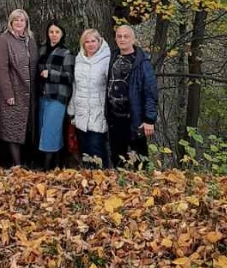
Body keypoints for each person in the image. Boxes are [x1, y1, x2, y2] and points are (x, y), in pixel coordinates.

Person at [106, 25, 158, 169]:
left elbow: (151, 92)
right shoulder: (112, 57)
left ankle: (142, 189)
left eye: (126, 36)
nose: (122, 39)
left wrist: (149, 119)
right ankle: (120, 188)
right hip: (115, 118)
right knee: (117, 158)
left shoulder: (142, 62)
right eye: (119, 36)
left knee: (140, 160)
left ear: (133, 38)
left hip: (135, 119)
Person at [0, 9, 37, 167]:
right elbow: (1, 69)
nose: (19, 23)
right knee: (12, 129)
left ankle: (27, 162)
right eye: (16, 20)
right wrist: (8, 93)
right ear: (11, 22)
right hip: (13, 92)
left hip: (29, 93)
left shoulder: (30, 39)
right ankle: (16, 164)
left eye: (22, 20)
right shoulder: (4, 40)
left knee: (27, 129)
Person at [69, 28, 111, 168]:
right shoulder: (79, 59)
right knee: (84, 150)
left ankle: (103, 181)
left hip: (98, 111)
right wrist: (72, 110)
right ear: (83, 44)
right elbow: (75, 86)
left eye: (93, 41)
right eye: (87, 42)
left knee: (97, 149)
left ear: (99, 42)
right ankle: (88, 181)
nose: (91, 44)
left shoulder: (107, 59)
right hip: (81, 112)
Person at [36, 21, 75, 170]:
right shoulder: (42, 50)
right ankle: (55, 164)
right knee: (44, 129)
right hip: (43, 96)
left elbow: (69, 77)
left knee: (50, 131)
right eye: (51, 32)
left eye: (57, 32)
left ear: (62, 34)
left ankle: (46, 168)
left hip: (58, 97)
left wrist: (51, 74)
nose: (53, 35)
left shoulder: (66, 53)